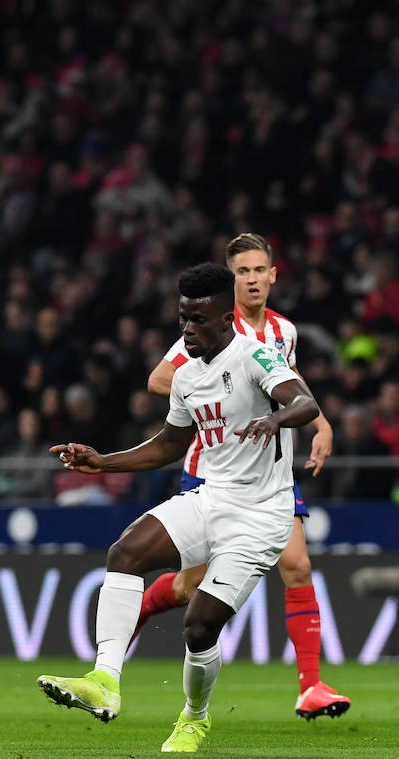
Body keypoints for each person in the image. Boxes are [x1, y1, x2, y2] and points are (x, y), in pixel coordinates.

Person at [37, 263, 322, 753]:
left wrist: (275, 420)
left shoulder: (256, 355)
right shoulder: (187, 377)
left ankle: (195, 717)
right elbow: (169, 443)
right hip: (213, 497)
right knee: (125, 553)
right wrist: (103, 462)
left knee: (199, 625)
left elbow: (305, 404)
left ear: (226, 318)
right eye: (183, 319)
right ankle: (105, 680)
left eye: (199, 320)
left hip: (261, 517)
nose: (188, 330)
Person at [133, 233, 351, 720]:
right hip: (214, 470)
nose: (251, 280)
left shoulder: (284, 332)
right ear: (230, 282)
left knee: (297, 565)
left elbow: (289, 384)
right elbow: (158, 379)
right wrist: (216, 396)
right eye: (242, 272)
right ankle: (146, 608)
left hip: (269, 472)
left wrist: (320, 424)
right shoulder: (207, 333)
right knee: (191, 586)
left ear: (273, 275)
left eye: (259, 271)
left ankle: (311, 686)